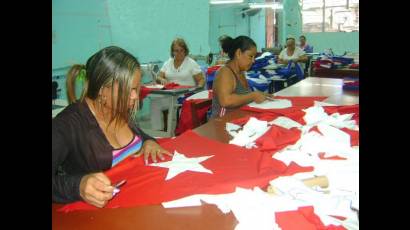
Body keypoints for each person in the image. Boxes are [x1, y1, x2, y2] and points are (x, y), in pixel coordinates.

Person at [52, 46, 171, 208]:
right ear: (102, 90)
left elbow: (138, 137)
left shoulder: (117, 108)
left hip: (136, 204)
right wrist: (78, 186)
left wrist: (148, 142)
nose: (135, 96)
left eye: (137, 88)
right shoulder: (66, 125)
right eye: (130, 90)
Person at [150, 38, 205, 131]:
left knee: (178, 109)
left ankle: (178, 133)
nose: (179, 53)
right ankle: (159, 132)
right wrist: (162, 79)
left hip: (186, 96)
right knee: (155, 103)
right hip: (171, 95)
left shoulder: (191, 63)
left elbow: (201, 80)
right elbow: (158, 77)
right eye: (176, 50)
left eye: (181, 50)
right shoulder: (168, 63)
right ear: (172, 52)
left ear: (185, 50)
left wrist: (198, 88)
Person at [210, 35, 271, 118]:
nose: (253, 61)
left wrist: (260, 95)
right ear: (238, 53)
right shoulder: (225, 72)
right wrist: (253, 95)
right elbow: (225, 101)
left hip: (237, 120)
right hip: (221, 123)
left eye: (254, 57)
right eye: (250, 56)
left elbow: (243, 98)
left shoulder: (240, 73)